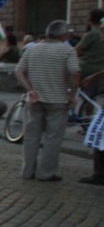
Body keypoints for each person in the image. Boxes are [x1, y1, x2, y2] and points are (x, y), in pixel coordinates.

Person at [15, 19, 81, 181]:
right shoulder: (67, 51)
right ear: (64, 35)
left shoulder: (32, 49)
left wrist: (29, 89)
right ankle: (46, 173)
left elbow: (19, 71)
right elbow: (75, 73)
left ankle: (27, 171)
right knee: (53, 138)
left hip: (34, 99)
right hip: (58, 100)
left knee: (31, 136)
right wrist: (72, 94)